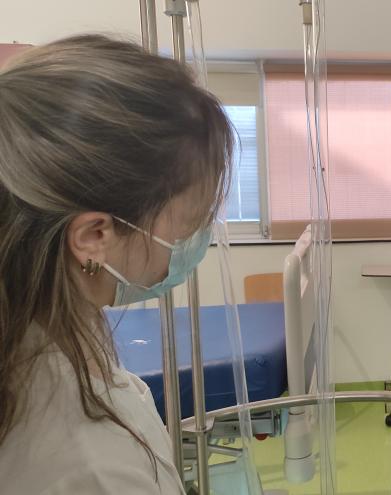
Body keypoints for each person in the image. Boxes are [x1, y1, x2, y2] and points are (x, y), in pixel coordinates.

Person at [0, 35, 234, 494]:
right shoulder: (93, 468)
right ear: (94, 236)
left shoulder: (45, 331)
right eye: (189, 222)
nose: (194, 241)